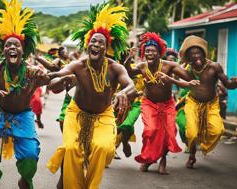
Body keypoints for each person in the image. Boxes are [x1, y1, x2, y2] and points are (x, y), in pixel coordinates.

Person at [46, 3, 135, 189]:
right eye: (93, 41)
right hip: (76, 114)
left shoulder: (114, 68)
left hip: (103, 116)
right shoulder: (78, 65)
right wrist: (60, 81)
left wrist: (122, 92)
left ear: (106, 47)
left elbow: (131, 85)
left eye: (100, 42)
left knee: (104, 149)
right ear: (88, 45)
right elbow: (54, 83)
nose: (96, 44)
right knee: (71, 149)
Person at [0, 1, 49, 188]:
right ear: (3, 50)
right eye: (7, 45)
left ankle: (25, 179)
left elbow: (53, 81)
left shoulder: (31, 70)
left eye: (17, 45)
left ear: (24, 50)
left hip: (22, 115)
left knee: (30, 156)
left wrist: (47, 76)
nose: (12, 47)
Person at [125, 32, 196, 174]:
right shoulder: (142, 66)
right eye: (147, 51)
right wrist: (128, 59)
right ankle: (148, 158)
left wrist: (175, 79)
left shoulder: (169, 66)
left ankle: (162, 160)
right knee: (150, 131)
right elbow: (130, 72)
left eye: (153, 51)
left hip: (167, 104)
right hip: (149, 103)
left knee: (168, 133)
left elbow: (188, 79)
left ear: (159, 53)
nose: (149, 53)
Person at [168, 35, 237, 168]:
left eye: (198, 52)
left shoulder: (214, 67)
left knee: (217, 131)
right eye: (192, 54)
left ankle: (204, 147)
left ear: (203, 52)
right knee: (191, 133)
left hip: (211, 105)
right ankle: (192, 155)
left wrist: (235, 83)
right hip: (193, 103)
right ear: (188, 57)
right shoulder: (189, 70)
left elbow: (228, 84)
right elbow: (173, 70)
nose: (195, 56)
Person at [35, 47, 75, 132]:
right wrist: (39, 58)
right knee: (62, 120)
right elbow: (50, 65)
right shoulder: (58, 60)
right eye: (65, 52)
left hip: (71, 89)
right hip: (60, 85)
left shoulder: (71, 62)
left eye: (67, 51)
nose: (67, 53)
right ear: (60, 54)